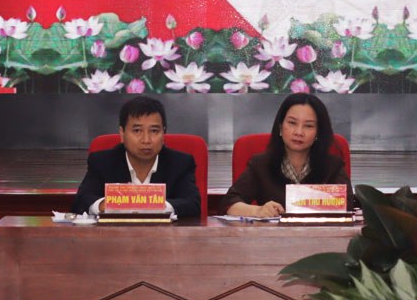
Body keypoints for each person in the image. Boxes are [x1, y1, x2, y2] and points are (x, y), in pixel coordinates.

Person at [220, 93, 352, 217]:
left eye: (308, 126)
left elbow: (347, 206)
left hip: (320, 234)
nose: (299, 132)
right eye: (292, 123)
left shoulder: (333, 166)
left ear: (318, 133)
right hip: (273, 234)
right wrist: (258, 210)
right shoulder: (261, 164)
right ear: (280, 127)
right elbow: (228, 203)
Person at [71, 96, 201, 218]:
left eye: (154, 131)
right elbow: (81, 201)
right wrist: (104, 205)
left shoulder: (180, 163)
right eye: (137, 131)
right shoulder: (102, 162)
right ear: (122, 133)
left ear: (163, 133)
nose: (146, 140)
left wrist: (153, 204)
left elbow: (192, 204)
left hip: (164, 234)